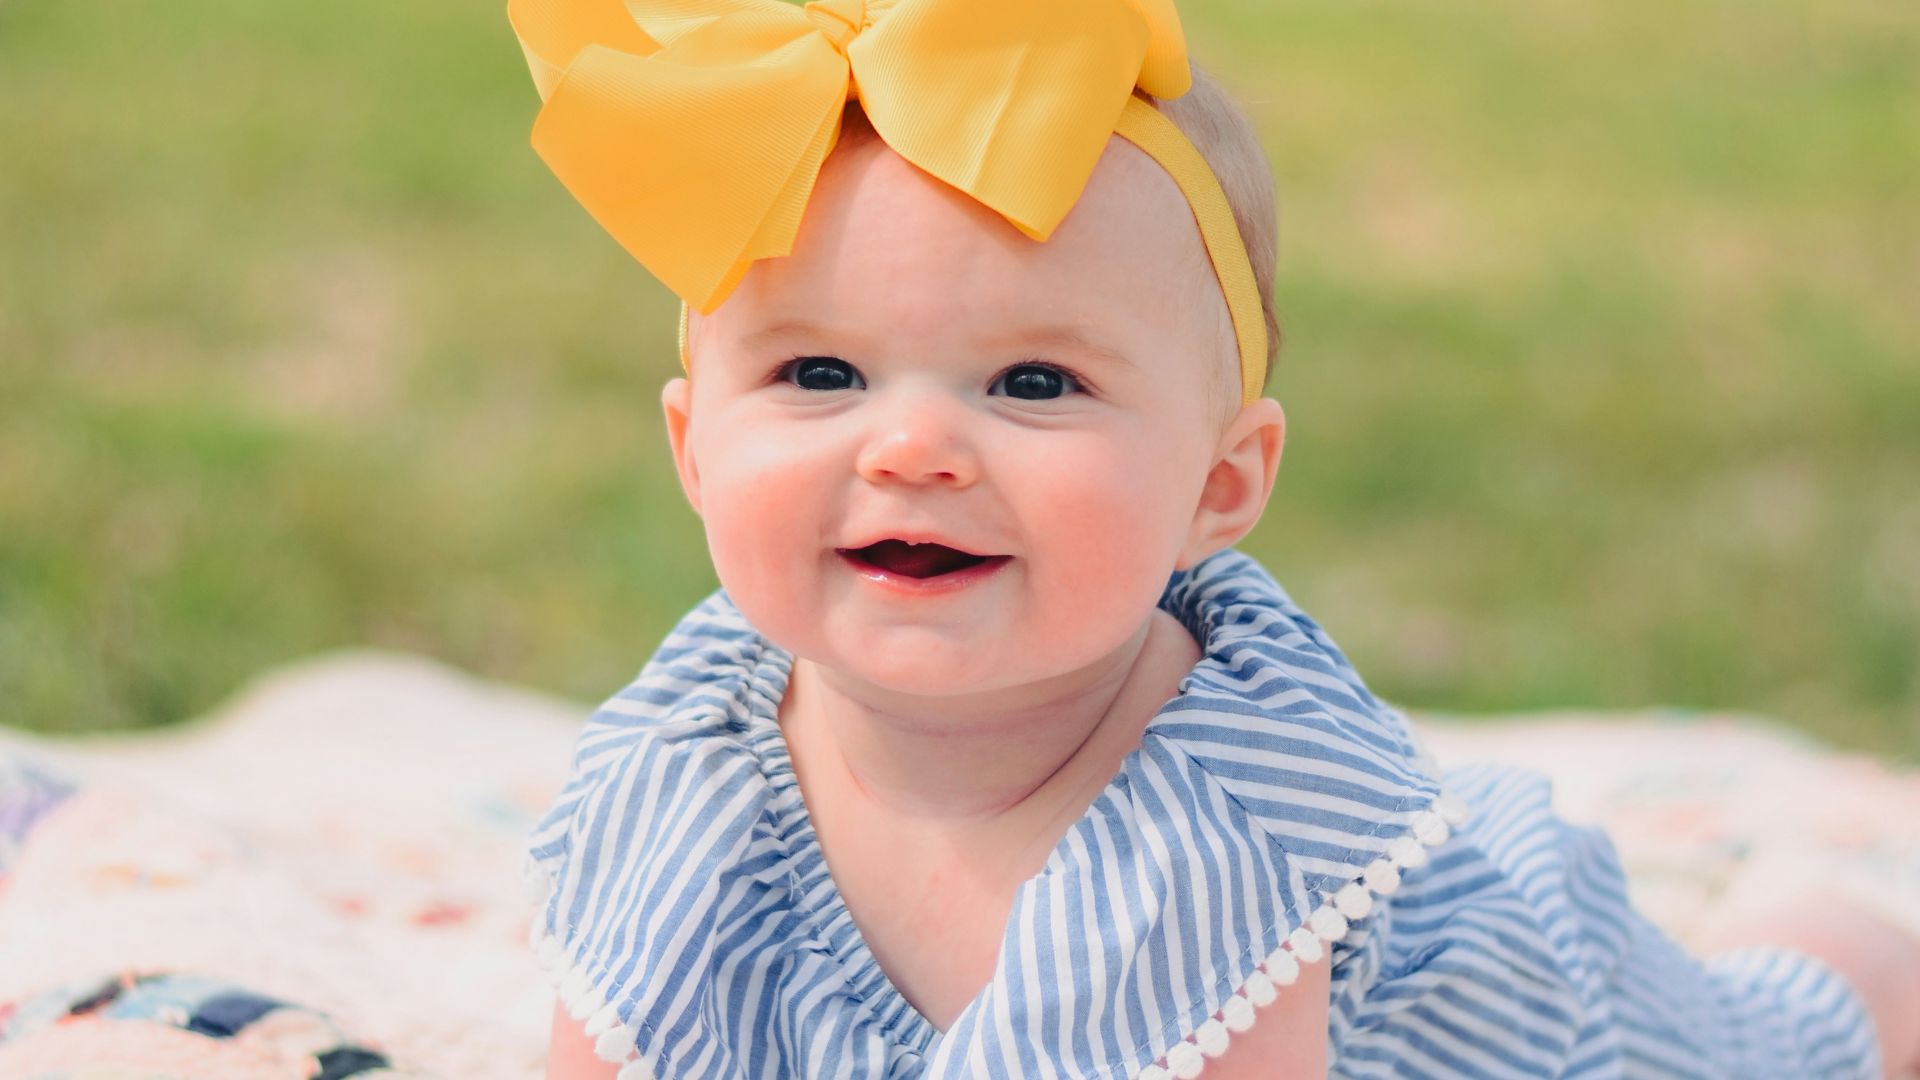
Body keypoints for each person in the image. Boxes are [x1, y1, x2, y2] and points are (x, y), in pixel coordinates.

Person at [507, 0, 1920, 1076]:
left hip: (1535, 1014)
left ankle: (1843, 947)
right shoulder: (678, 763)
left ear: (1220, 487)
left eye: (1035, 383)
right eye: (818, 375)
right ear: (693, 451)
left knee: (1792, 1029)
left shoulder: (1227, 830)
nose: (911, 447)